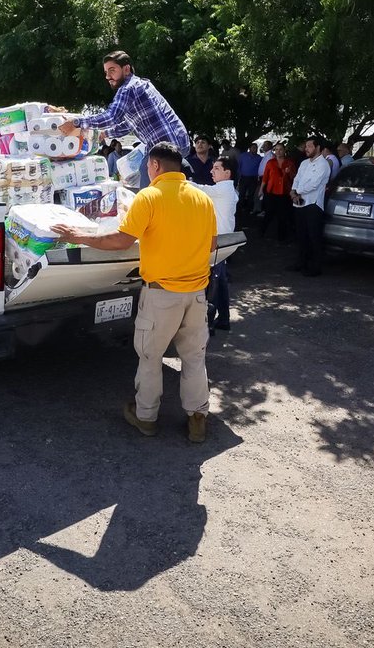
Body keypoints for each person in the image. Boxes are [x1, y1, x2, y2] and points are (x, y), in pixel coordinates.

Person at [52, 142, 216, 443]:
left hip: (162, 294)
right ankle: (197, 419)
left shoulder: (149, 196)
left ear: (154, 166)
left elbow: (121, 240)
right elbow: (212, 245)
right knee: (194, 357)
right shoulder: (202, 199)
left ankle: (146, 417)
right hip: (197, 293)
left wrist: (79, 236)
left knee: (151, 356)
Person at [59, 51, 191, 187]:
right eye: (106, 72)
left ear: (126, 69)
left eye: (112, 70)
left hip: (166, 149)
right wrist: (106, 133)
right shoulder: (140, 85)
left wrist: (77, 123)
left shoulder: (129, 88)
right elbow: (129, 125)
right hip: (176, 144)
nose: (108, 76)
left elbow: (112, 116)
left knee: (150, 187)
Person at [194, 156, 239, 332]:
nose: (212, 171)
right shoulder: (227, 189)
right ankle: (223, 320)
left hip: (219, 242)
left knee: (213, 282)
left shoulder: (224, 189)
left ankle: (210, 323)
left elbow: (199, 189)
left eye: (217, 169)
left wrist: (180, 180)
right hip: (223, 242)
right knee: (219, 282)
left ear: (227, 173)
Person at [290, 136, 331, 277]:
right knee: (301, 235)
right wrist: (293, 191)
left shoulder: (323, 165)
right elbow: (297, 178)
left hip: (313, 204)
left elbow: (314, 184)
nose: (306, 149)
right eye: (306, 146)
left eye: (309, 146)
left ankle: (316, 267)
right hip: (299, 203)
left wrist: (298, 191)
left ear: (318, 147)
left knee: (314, 236)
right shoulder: (304, 163)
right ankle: (301, 262)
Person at [260, 144, 295, 241]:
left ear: (284, 151)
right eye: (276, 150)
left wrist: (289, 173)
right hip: (271, 192)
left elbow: (294, 178)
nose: (278, 151)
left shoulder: (290, 163)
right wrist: (261, 190)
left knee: (282, 216)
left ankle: (282, 237)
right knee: (269, 214)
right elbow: (265, 177)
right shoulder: (270, 162)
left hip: (284, 192)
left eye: (280, 149)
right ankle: (262, 232)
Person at [237, 143, 262, 212]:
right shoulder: (243, 156)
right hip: (243, 177)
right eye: (253, 147)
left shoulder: (259, 157)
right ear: (250, 148)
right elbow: (239, 166)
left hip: (253, 178)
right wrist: (239, 176)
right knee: (242, 193)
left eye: (256, 148)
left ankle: (249, 209)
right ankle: (240, 208)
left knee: (251, 194)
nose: (255, 149)